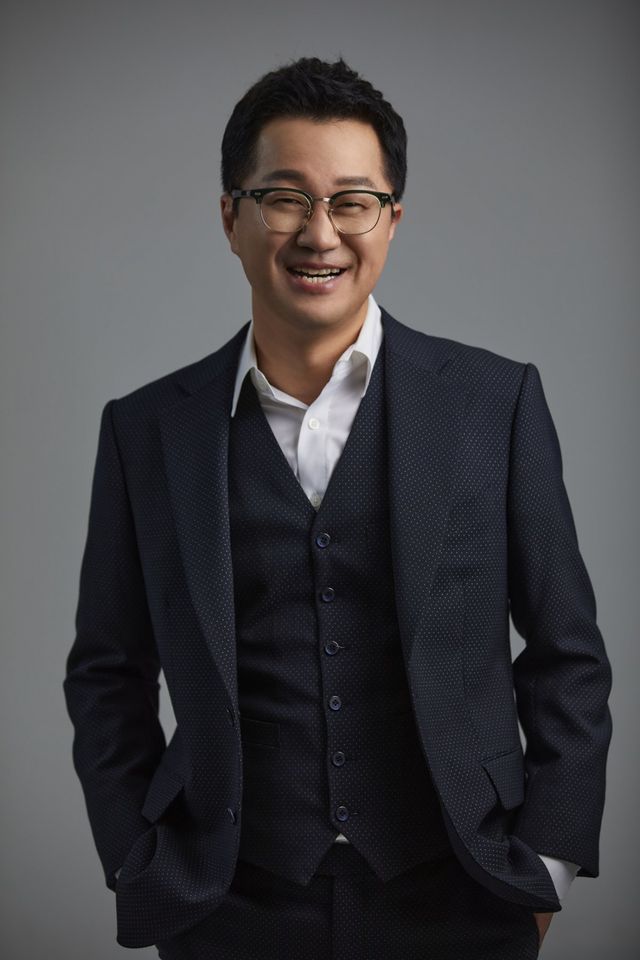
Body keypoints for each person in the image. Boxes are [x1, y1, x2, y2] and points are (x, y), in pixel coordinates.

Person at [63, 57, 612, 959]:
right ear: (231, 217)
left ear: (392, 219)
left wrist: (547, 864)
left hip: (464, 891)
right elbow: (107, 670)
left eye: (353, 201)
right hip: (227, 904)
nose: (320, 234)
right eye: (285, 199)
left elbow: (568, 654)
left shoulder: (494, 403)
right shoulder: (147, 431)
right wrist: (137, 860)